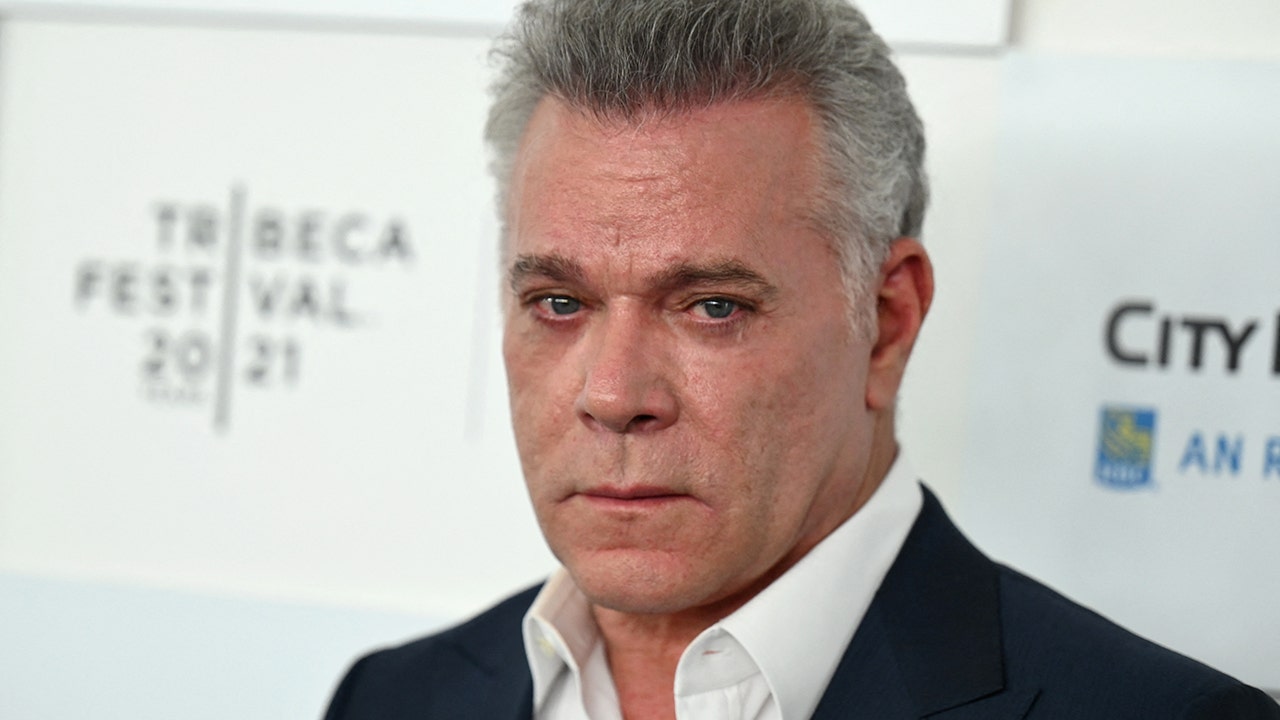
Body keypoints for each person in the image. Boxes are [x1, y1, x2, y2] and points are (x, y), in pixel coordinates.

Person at [323, 1, 1280, 717]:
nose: (613, 395)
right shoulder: (393, 699)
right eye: (560, 303)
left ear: (888, 323)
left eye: (712, 306)